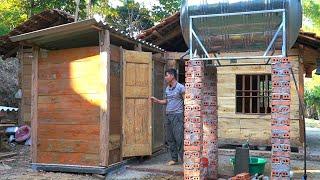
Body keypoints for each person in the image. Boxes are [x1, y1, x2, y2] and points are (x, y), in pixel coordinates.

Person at [150, 68, 185, 165]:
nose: (165, 77)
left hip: (178, 116)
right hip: (168, 115)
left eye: (167, 75)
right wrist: (157, 100)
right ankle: (174, 159)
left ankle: (185, 160)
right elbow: (166, 101)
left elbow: (186, 101)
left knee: (179, 138)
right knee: (170, 138)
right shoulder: (167, 88)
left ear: (172, 76)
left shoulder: (181, 87)